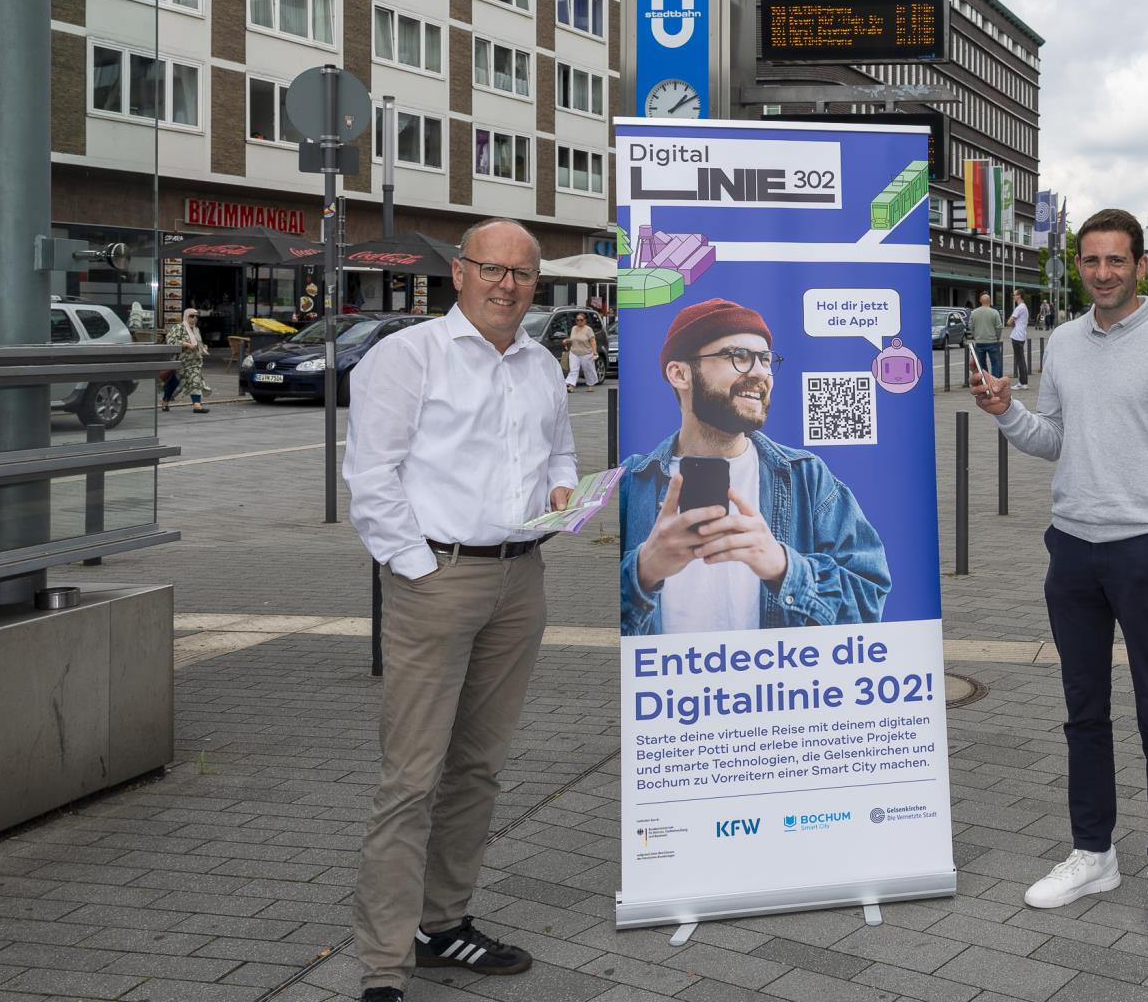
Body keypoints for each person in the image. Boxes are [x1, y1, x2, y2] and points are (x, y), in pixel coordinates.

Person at [969, 207, 1148, 942]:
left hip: (1144, 551)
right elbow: (1054, 438)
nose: (1103, 273)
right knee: (1083, 712)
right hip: (1071, 549)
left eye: (1116, 260)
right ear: (1078, 266)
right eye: (1091, 260)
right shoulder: (1065, 344)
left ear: (1140, 265)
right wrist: (1006, 411)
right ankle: (1094, 854)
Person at [342, 218, 575, 1002]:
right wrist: (417, 570)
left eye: (522, 273)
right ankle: (384, 965)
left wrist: (563, 488)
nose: (507, 285)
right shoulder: (409, 356)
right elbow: (371, 476)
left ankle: (441, 926)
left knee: (478, 768)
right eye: (492, 269)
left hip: (520, 579)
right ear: (460, 271)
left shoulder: (542, 365)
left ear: (535, 284)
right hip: (437, 580)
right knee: (412, 777)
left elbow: (560, 449)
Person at [621, 298, 889, 636]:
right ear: (680, 374)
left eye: (765, 359)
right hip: (670, 674)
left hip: (771, 673)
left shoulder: (806, 477)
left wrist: (783, 566)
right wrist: (643, 571)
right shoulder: (631, 484)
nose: (761, 373)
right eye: (739, 356)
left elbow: (869, 601)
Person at [163, 308, 211, 413]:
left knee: (195, 380)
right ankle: (165, 401)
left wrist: (203, 348)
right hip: (181, 362)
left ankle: (197, 405)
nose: (195, 318)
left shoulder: (196, 329)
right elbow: (171, 340)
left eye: (196, 316)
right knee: (174, 383)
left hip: (194, 362)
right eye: (192, 316)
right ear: (186, 316)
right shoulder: (179, 327)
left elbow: (198, 343)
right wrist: (186, 344)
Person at [969, 291, 1004, 379]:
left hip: (980, 342)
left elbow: (970, 326)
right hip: (992, 341)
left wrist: (975, 335)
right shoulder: (995, 312)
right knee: (995, 363)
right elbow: (999, 327)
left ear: (980, 301)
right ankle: (995, 381)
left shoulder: (974, 312)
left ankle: (985, 380)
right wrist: (997, 337)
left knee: (981, 364)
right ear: (989, 301)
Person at [563, 310, 600, 391]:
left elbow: (593, 341)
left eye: (581, 320)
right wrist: (566, 341)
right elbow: (573, 339)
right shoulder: (574, 328)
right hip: (574, 352)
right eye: (577, 320)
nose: (579, 321)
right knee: (573, 370)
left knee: (588, 370)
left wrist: (594, 351)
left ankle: (591, 384)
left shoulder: (588, 329)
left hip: (586, 353)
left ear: (585, 320)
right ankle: (571, 385)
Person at [1009, 289, 1032, 390]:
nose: (1013, 297)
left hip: (1017, 336)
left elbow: (1009, 321)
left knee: (1020, 360)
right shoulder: (1024, 307)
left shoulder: (1019, 308)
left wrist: (1011, 322)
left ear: (1019, 296)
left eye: (1014, 295)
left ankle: (1023, 382)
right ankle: (1023, 382)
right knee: (1021, 359)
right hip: (1021, 335)